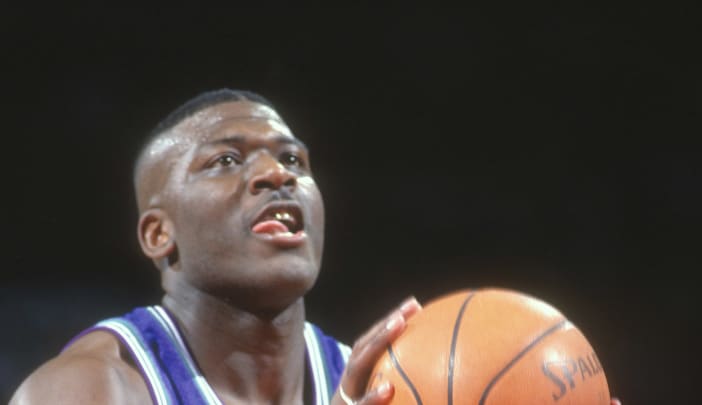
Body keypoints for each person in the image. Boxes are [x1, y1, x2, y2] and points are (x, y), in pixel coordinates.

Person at [10, 89, 620, 405]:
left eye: (294, 159)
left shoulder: (392, 386)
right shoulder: (91, 389)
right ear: (158, 234)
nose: (277, 174)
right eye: (226, 160)